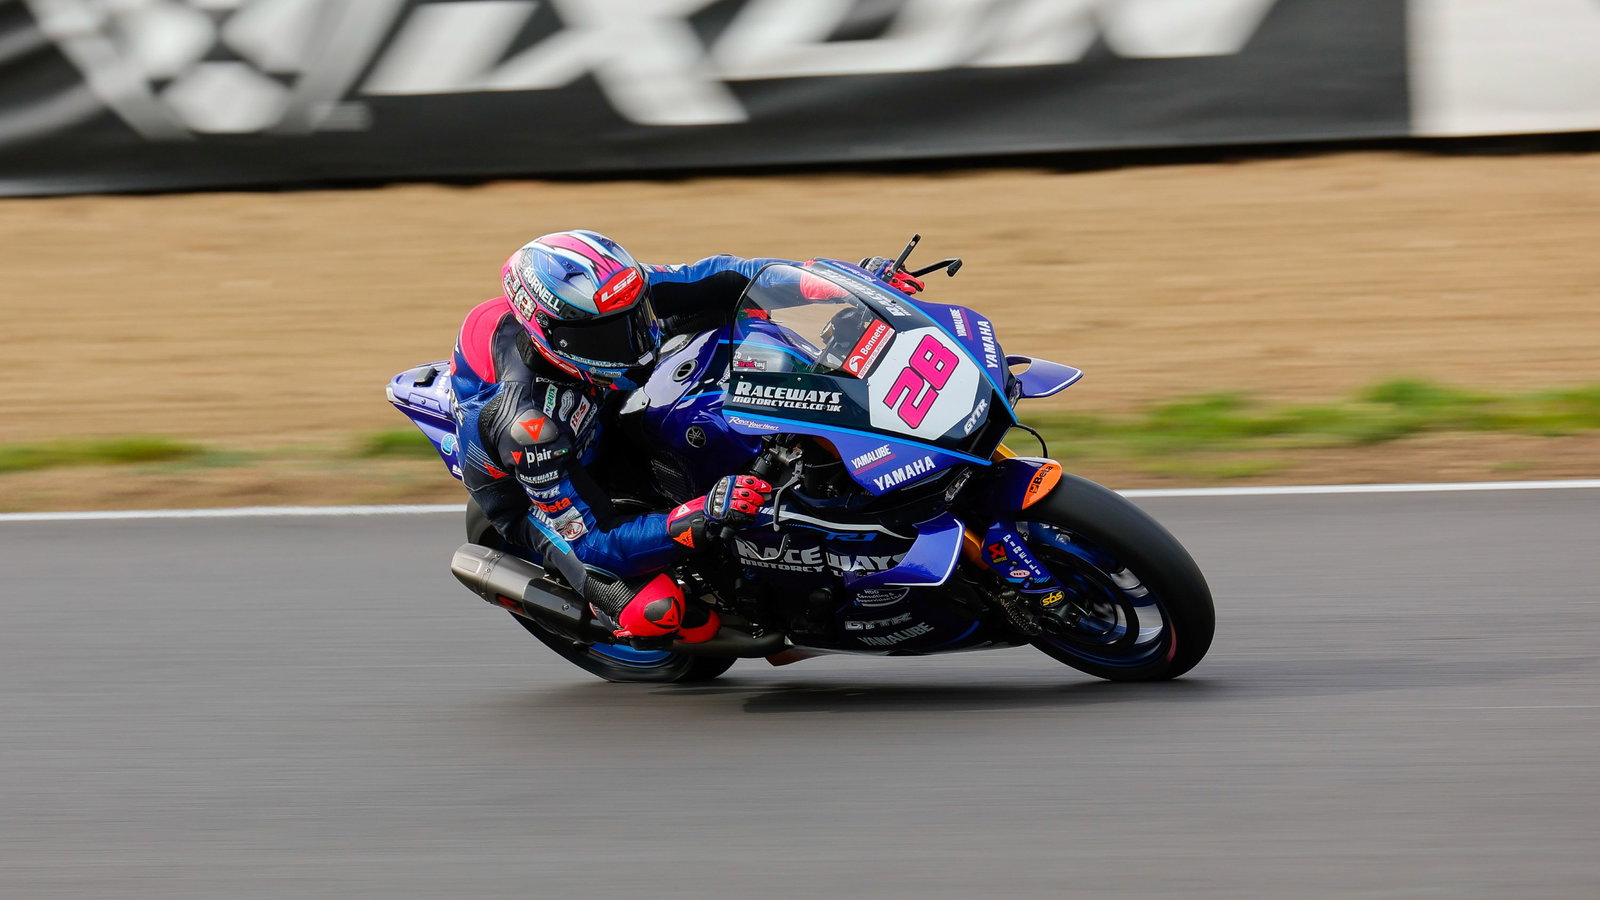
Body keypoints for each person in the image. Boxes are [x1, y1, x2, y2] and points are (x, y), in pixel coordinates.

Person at [450, 230, 925, 645]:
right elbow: (598, 540)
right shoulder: (528, 426)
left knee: (730, 326)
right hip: (540, 488)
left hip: (596, 401)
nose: (635, 342)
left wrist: (842, 286)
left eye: (634, 318)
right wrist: (701, 511)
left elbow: (726, 275)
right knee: (659, 614)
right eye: (607, 337)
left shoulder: (611, 296)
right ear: (552, 336)